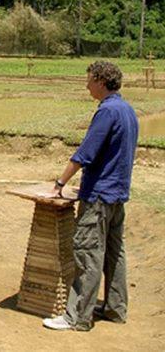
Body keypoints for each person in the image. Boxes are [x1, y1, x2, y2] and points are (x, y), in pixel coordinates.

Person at [42, 61, 138, 332]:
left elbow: (85, 153)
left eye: (89, 80)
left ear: (100, 81)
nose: (86, 86)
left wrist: (60, 182)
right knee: (114, 254)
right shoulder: (128, 110)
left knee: (88, 254)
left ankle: (77, 316)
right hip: (118, 195)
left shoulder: (107, 112)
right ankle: (115, 308)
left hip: (98, 196)